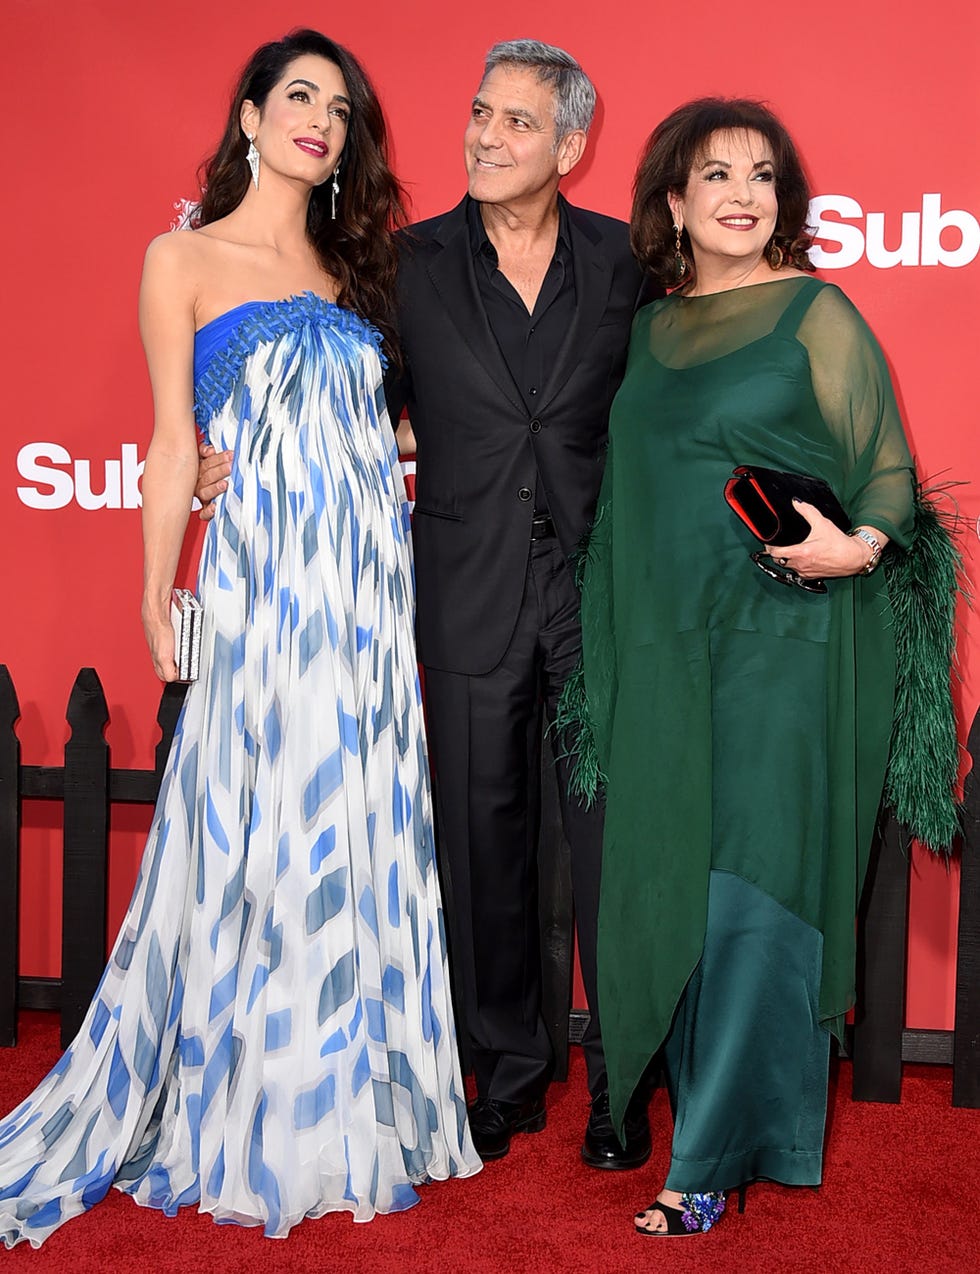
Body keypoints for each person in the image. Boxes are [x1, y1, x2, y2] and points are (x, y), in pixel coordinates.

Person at [0, 29, 479, 1249]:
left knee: (358, 818)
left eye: (339, 105)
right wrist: (158, 587)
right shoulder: (182, 257)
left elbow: (391, 433)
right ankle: (266, 1103)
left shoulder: (363, 271)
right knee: (267, 826)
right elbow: (173, 444)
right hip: (267, 591)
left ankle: (356, 1100)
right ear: (252, 115)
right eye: (299, 95)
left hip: (370, 593)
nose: (320, 117)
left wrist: (377, 451)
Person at [197, 39, 657, 1169]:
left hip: (595, 594)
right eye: (479, 112)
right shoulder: (402, 265)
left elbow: (660, 418)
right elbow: (349, 404)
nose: (487, 136)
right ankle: (502, 1072)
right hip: (461, 588)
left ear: (569, 146)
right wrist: (234, 455)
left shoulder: (622, 262)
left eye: (515, 122)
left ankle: (621, 1081)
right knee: (478, 840)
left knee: (617, 847)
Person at [574, 97, 955, 1236]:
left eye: (760, 174)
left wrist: (857, 544)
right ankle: (697, 1109)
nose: (741, 192)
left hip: (781, 651)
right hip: (666, 652)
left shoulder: (816, 312)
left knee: (751, 891)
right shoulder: (644, 331)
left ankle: (708, 1159)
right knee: (678, 883)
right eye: (714, 174)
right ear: (672, 201)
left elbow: (884, 468)